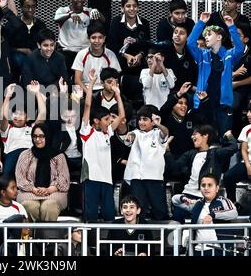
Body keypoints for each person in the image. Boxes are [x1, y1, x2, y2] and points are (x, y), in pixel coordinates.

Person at [187, 12, 244, 137]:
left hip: (223, 104)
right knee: (204, 139)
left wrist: (231, 27)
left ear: (219, 37)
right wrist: (201, 22)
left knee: (224, 137)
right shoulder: (202, 54)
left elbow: (240, 49)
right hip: (204, 101)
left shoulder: (229, 55)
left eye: (209, 35)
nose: (206, 37)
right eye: (205, 35)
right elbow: (190, 43)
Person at [80, 68, 125, 222]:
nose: (110, 122)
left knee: (109, 216)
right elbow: (87, 106)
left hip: (107, 180)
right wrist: (91, 83)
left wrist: (117, 94)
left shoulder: (108, 133)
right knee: (90, 216)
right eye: (106, 119)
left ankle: (109, 246)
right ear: (96, 121)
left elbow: (122, 116)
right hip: (90, 179)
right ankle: (90, 245)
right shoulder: (86, 131)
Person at [169, 127, 237, 223]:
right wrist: (167, 151)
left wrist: (229, 135)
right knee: (176, 218)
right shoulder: (190, 154)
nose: (192, 137)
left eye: (195, 134)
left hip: (207, 197)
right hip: (188, 196)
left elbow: (233, 147)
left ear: (205, 136)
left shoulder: (215, 153)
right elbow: (174, 167)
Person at [15, 123, 70, 222]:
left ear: (48, 136)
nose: (37, 140)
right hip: (29, 192)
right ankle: (32, 235)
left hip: (55, 192)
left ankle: (47, 235)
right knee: (29, 206)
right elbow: (20, 178)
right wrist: (33, 189)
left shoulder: (59, 156)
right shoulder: (25, 155)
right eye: (35, 136)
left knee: (49, 206)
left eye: (41, 136)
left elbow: (64, 178)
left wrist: (50, 189)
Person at [124, 105, 170, 220]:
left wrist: (159, 124)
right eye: (140, 119)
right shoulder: (136, 133)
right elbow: (131, 136)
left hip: (154, 177)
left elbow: (165, 133)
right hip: (137, 178)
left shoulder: (157, 133)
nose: (141, 122)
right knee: (138, 210)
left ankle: (163, 235)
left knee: (159, 209)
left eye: (145, 119)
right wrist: (130, 137)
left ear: (153, 122)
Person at [107, 0, 150, 102]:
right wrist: (126, 56)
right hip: (121, 57)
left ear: (138, 8)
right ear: (122, 8)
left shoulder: (145, 23)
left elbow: (147, 45)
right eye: (128, 6)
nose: (132, 9)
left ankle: (142, 101)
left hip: (139, 59)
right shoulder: (116, 22)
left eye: (135, 6)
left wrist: (139, 56)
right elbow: (112, 45)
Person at [54, 0, 104, 72]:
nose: (79, 0)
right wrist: (70, 14)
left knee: (84, 79)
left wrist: (97, 12)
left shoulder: (89, 11)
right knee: (64, 78)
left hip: (85, 52)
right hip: (66, 52)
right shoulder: (63, 10)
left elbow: (104, 21)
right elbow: (56, 19)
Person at [0, 82, 46, 177]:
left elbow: (42, 113)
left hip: (29, 154)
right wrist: (8, 95)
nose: (17, 116)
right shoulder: (8, 129)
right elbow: (3, 115)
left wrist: (37, 92)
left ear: (27, 118)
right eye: (14, 114)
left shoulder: (32, 128)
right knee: (7, 176)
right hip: (12, 155)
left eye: (21, 114)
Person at [188, 174, 238, 256]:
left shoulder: (223, 201)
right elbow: (175, 201)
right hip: (198, 250)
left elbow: (234, 213)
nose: (206, 188)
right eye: (203, 185)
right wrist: (182, 198)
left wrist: (213, 215)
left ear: (217, 188)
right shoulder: (197, 203)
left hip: (219, 250)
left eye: (210, 185)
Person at [72, 20, 121, 96]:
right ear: (88, 38)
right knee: (75, 93)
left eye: (100, 38)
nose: (97, 41)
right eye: (93, 38)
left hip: (104, 89)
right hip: (85, 88)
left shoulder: (110, 54)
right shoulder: (81, 54)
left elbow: (115, 78)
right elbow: (77, 80)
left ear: (104, 38)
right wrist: (89, 93)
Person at [224, 103, 251, 203]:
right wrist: (248, 166)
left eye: (250, 112)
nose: (248, 114)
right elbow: (243, 150)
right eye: (248, 111)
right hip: (247, 163)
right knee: (228, 177)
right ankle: (233, 204)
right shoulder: (246, 129)